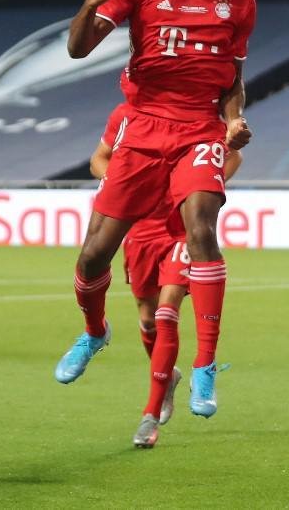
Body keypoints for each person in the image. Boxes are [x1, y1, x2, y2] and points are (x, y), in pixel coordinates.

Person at [56, 0, 255, 426]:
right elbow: (77, 50)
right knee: (93, 254)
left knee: (200, 226)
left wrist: (234, 121)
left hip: (198, 129)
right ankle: (95, 332)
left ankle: (206, 365)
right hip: (142, 128)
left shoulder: (237, 3)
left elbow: (232, 81)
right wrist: (90, 2)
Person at [91, 102, 243, 448]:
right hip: (140, 233)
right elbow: (98, 159)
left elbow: (232, 156)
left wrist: (198, 187)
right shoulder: (127, 115)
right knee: (147, 321)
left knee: (166, 310)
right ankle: (169, 377)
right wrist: (125, 181)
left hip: (176, 232)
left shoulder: (201, 120)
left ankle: (150, 412)